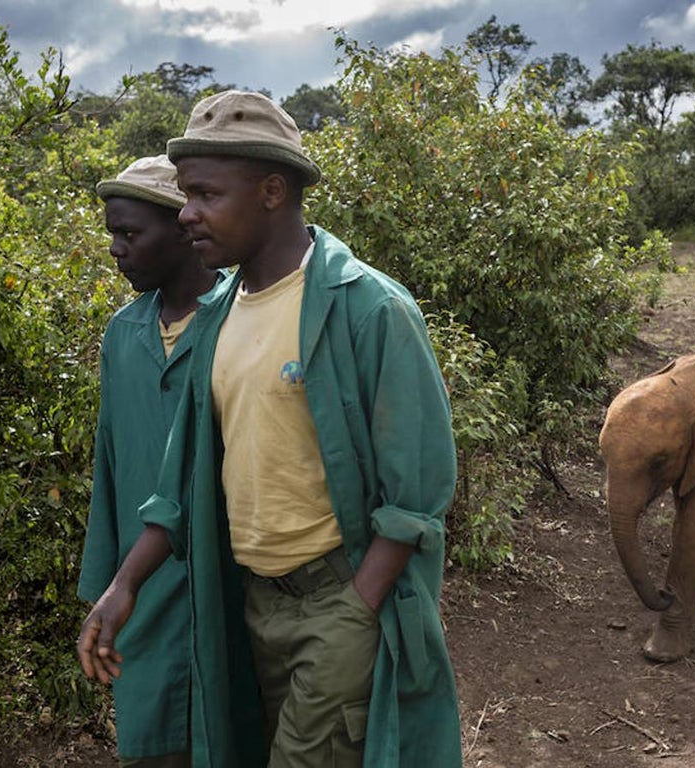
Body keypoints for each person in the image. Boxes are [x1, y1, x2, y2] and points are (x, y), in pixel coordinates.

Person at [78, 91, 463, 768]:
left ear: (272, 191)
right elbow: (182, 477)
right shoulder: (221, 311)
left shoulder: (367, 307)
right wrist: (124, 585)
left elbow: (418, 490)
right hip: (254, 604)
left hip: (336, 603)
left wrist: (356, 608)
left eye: (204, 193)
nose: (188, 211)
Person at [78, 155, 265, 767]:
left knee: (236, 730)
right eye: (113, 234)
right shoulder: (122, 335)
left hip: (230, 582)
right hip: (143, 587)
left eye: (130, 233)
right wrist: (109, 582)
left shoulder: (239, 322)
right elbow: (110, 466)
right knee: (154, 737)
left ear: (183, 228)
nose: (116, 249)